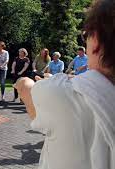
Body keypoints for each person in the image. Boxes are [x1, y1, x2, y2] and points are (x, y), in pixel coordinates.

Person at [14, 0, 115, 168]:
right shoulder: (67, 71)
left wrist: (28, 81)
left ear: (95, 40)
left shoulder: (65, 94)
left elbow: (27, 89)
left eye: (85, 37)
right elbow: (68, 68)